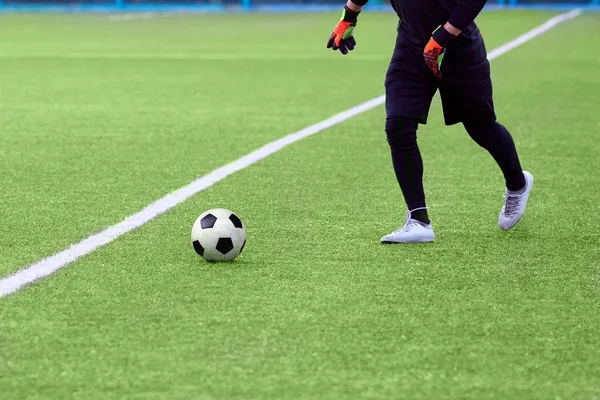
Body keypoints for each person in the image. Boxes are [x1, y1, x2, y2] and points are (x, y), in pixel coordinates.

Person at [327, 0, 534, 243]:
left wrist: (445, 34)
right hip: (411, 46)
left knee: (480, 126)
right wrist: (349, 16)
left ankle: (517, 184)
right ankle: (418, 220)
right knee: (398, 125)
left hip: (458, 47)